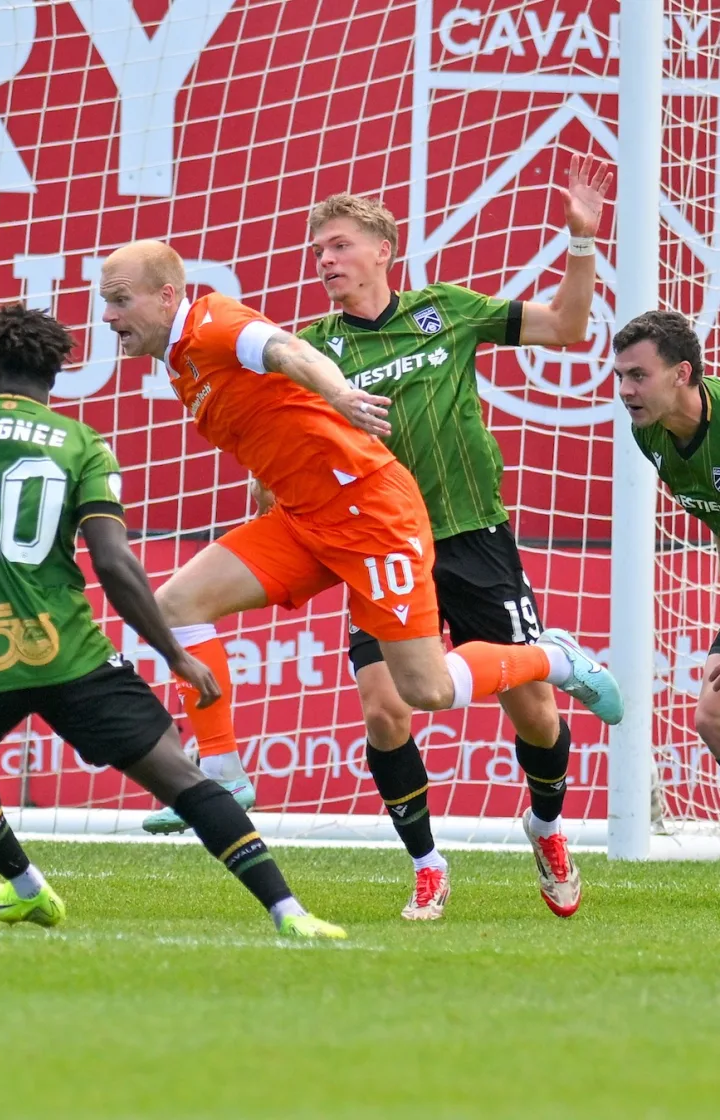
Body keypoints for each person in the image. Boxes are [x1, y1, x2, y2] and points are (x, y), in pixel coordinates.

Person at [155, 153, 615, 922]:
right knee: (387, 708)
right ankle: (428, 865)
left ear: (382, 250)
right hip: (367, 540)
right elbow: (281, 444)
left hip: (467, 533)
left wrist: (578, 244)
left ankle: (546, 824)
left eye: (338, 245)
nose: (325, 261)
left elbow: (569, 329)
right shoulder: (310, 346)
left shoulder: (446, 310)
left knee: (535, 708)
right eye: (317, 251)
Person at [0, 303, 346, 940]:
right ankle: (290, 914)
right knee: (181, 776)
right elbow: (114, 561)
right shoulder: (81, 445)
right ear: (53, 379)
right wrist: (175, 655)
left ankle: (25, 886)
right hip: (69, 656)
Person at [615, 309, 720, 754]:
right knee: (713, 719)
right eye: (620, 375)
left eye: (638, 375)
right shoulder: (650, 432)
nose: (625, 390)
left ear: (682, 373)